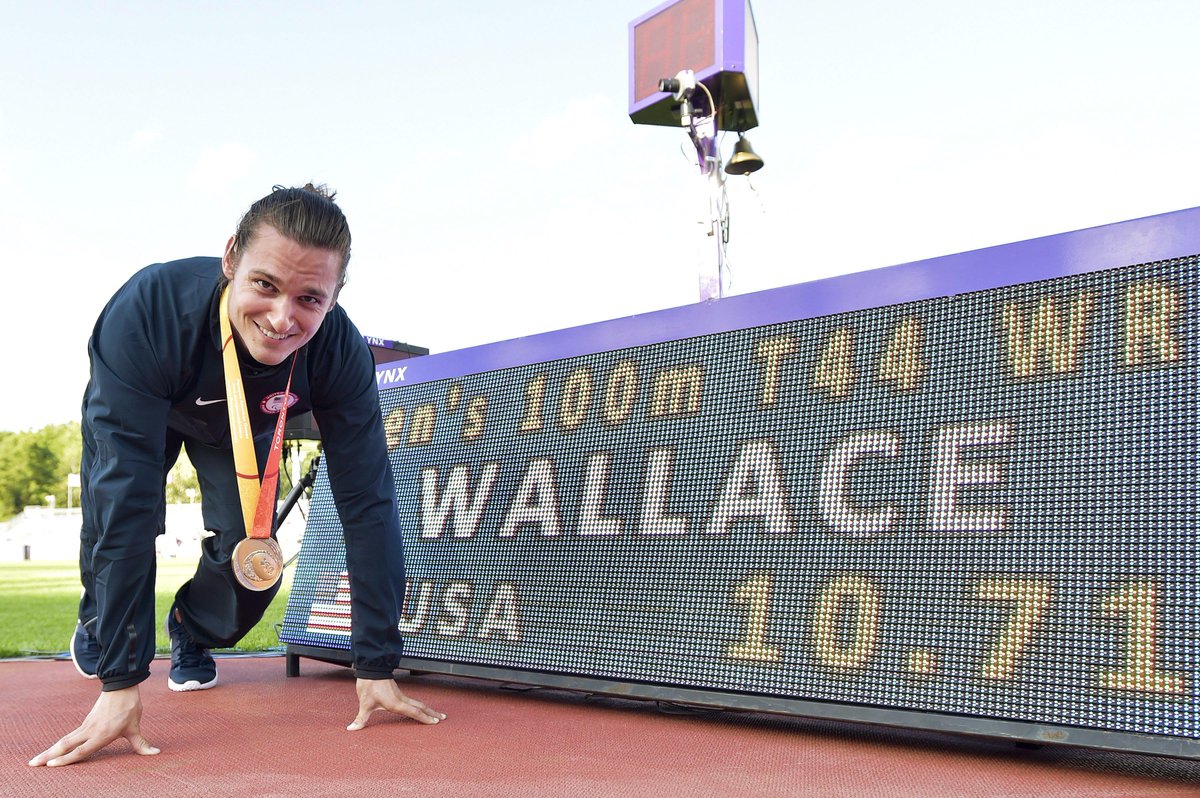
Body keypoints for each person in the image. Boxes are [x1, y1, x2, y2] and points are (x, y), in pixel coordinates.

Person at [30, 184, 444, 768]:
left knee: (253, 564)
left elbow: (368, 501)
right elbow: (125, 501)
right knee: (116, 518)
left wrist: (375, 663)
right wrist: (121, 684)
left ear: (336, 296)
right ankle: (98, 620)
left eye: (309, 299)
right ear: (231, 260)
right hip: (151, 395)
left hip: (241, 428)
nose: (282, 318)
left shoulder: (339, 352)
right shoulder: (148, 310)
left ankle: (191, 628)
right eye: (265, 285)